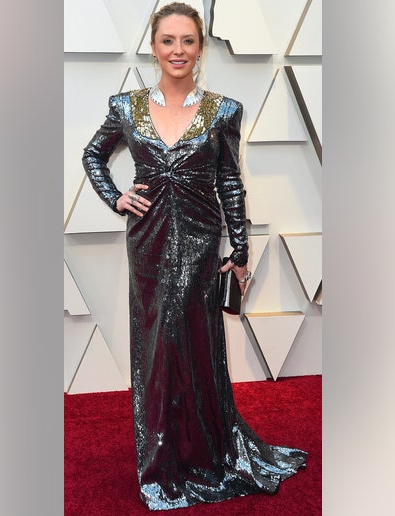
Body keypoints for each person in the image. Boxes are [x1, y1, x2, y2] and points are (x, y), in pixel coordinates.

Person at [81, 2, 306, 510]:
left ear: (200, 48)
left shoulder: (223, 110)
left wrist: (241, 248)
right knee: (158, 345)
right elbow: (93, 154)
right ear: (154, 46)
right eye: (168, 41)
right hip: (148, 242)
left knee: (197, 344)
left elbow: (229, 178)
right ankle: (162, 460)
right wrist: (115, 196)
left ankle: (204, 449)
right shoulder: (126, 107)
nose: (178, 50)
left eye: (188, 41)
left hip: (203, 243)